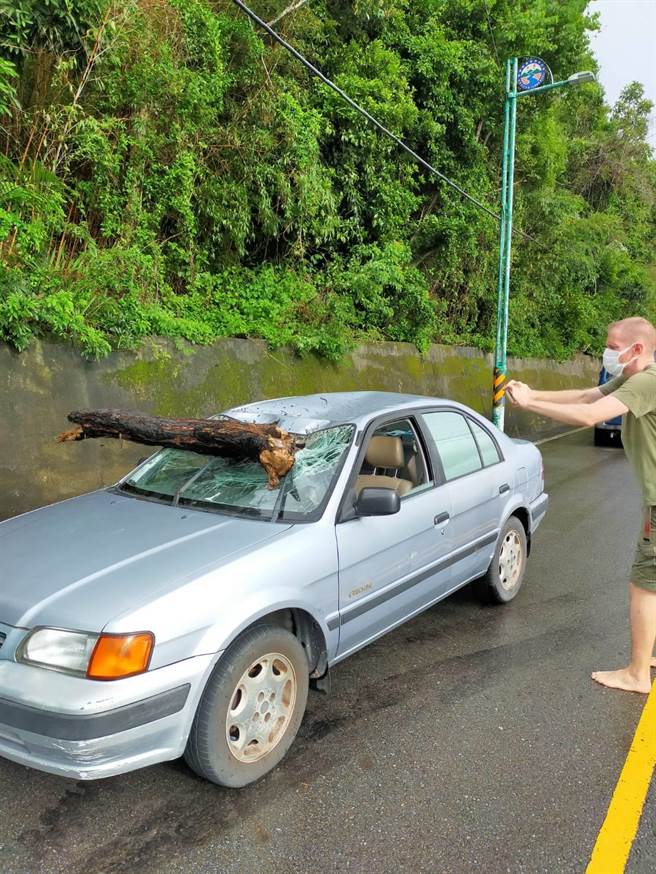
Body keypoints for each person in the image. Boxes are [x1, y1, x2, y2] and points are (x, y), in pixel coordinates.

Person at [506, 316, 656, 694]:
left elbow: (590, 415)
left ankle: (637, 673)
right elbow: (589, 396)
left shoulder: (647, 383)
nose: (606, 351)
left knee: (645, 583)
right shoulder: (637, 377)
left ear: (636, 349)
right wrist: (533, 395)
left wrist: (532, 406)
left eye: (611, 344)